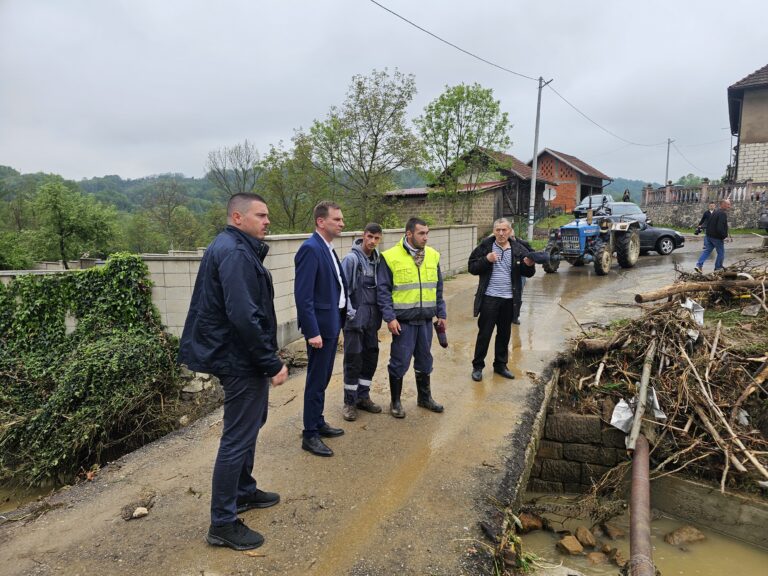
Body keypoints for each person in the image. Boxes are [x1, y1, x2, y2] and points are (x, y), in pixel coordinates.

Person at [178, 193, 289, 551]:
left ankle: (242, 491)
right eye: (261, 215)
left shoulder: (234, 247)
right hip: (238, 358)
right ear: (238, 218)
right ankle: (223, 523)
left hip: (239, 356)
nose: (267, 221)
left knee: (250, 425)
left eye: (267, 215)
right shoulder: (236, 252)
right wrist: (270, 362)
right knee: (237, 436)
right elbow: (243, 315)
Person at [294, 201, 348, 457]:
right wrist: (312, 331)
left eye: (341, 219)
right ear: (321, 221)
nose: (342, 223)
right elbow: (303, 296)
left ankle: (318, 420)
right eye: (337, 219)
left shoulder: (327, 247)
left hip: (332, 323)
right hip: (320, 329)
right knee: (316, 381)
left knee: (323, 378)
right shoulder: (310, 249)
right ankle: (310, 434)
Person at [378, 217, 446, 418]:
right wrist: (390, 318)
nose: (425, 237)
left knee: (425, 360)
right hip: (403, 323)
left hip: (425, 321)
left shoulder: (432, 255)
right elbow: (383, 291)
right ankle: (395, 402)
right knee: (399, 362)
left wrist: (441, 313)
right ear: (408, 233)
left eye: (427, 233)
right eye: (421, 233)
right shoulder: (390, 257)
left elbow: (438, 288)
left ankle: (424, 398)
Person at [468, 218, 535, 382]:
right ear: (494, 231)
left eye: (504, 230)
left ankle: (500, 365)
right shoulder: (485, 246)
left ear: (510, 231)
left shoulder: (518, 249)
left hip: (509, 299)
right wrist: (486, 260)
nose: (501, 233)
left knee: (504, 334)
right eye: (498, 230)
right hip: (489, 298)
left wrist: (528, 265)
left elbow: (528, 273)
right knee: (484, 334)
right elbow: (472, 267)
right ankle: (478, 367)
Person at [340, 223, 384, 421]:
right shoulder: (351, 259)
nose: (372, 241)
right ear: (363, 236)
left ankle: (363, 397)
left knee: (370, 357)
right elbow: (342, 290)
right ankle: (349, 402)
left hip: (372, 321)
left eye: (376, 238)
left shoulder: (378, 261)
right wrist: (350, 314)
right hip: (355, 321)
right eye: (369, 237)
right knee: (353, 359)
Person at [694, 199, 731, 273]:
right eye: (728, 204)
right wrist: (724, 236)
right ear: (723, 204)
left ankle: (699, 265)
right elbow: (720, 227)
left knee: (707, 251)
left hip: (709, 236)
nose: (729, 206)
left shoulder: (715, 212)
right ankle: (718, 268)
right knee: (721, 252)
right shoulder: (722, 214)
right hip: (716, 237)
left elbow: (709, 223)